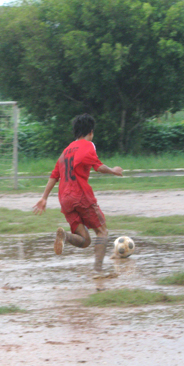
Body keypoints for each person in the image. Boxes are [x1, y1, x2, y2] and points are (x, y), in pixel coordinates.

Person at [33, 114, 123, 275]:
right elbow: (98, 167)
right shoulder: (88, 146)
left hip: (64, 199)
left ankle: (65, 236)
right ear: (91, 131)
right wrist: (113, 171)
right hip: (80, 195)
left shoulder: (66, 151)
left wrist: (44, 197)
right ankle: (98, 271)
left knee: (85, 240)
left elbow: (54, 176)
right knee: (102, 232)